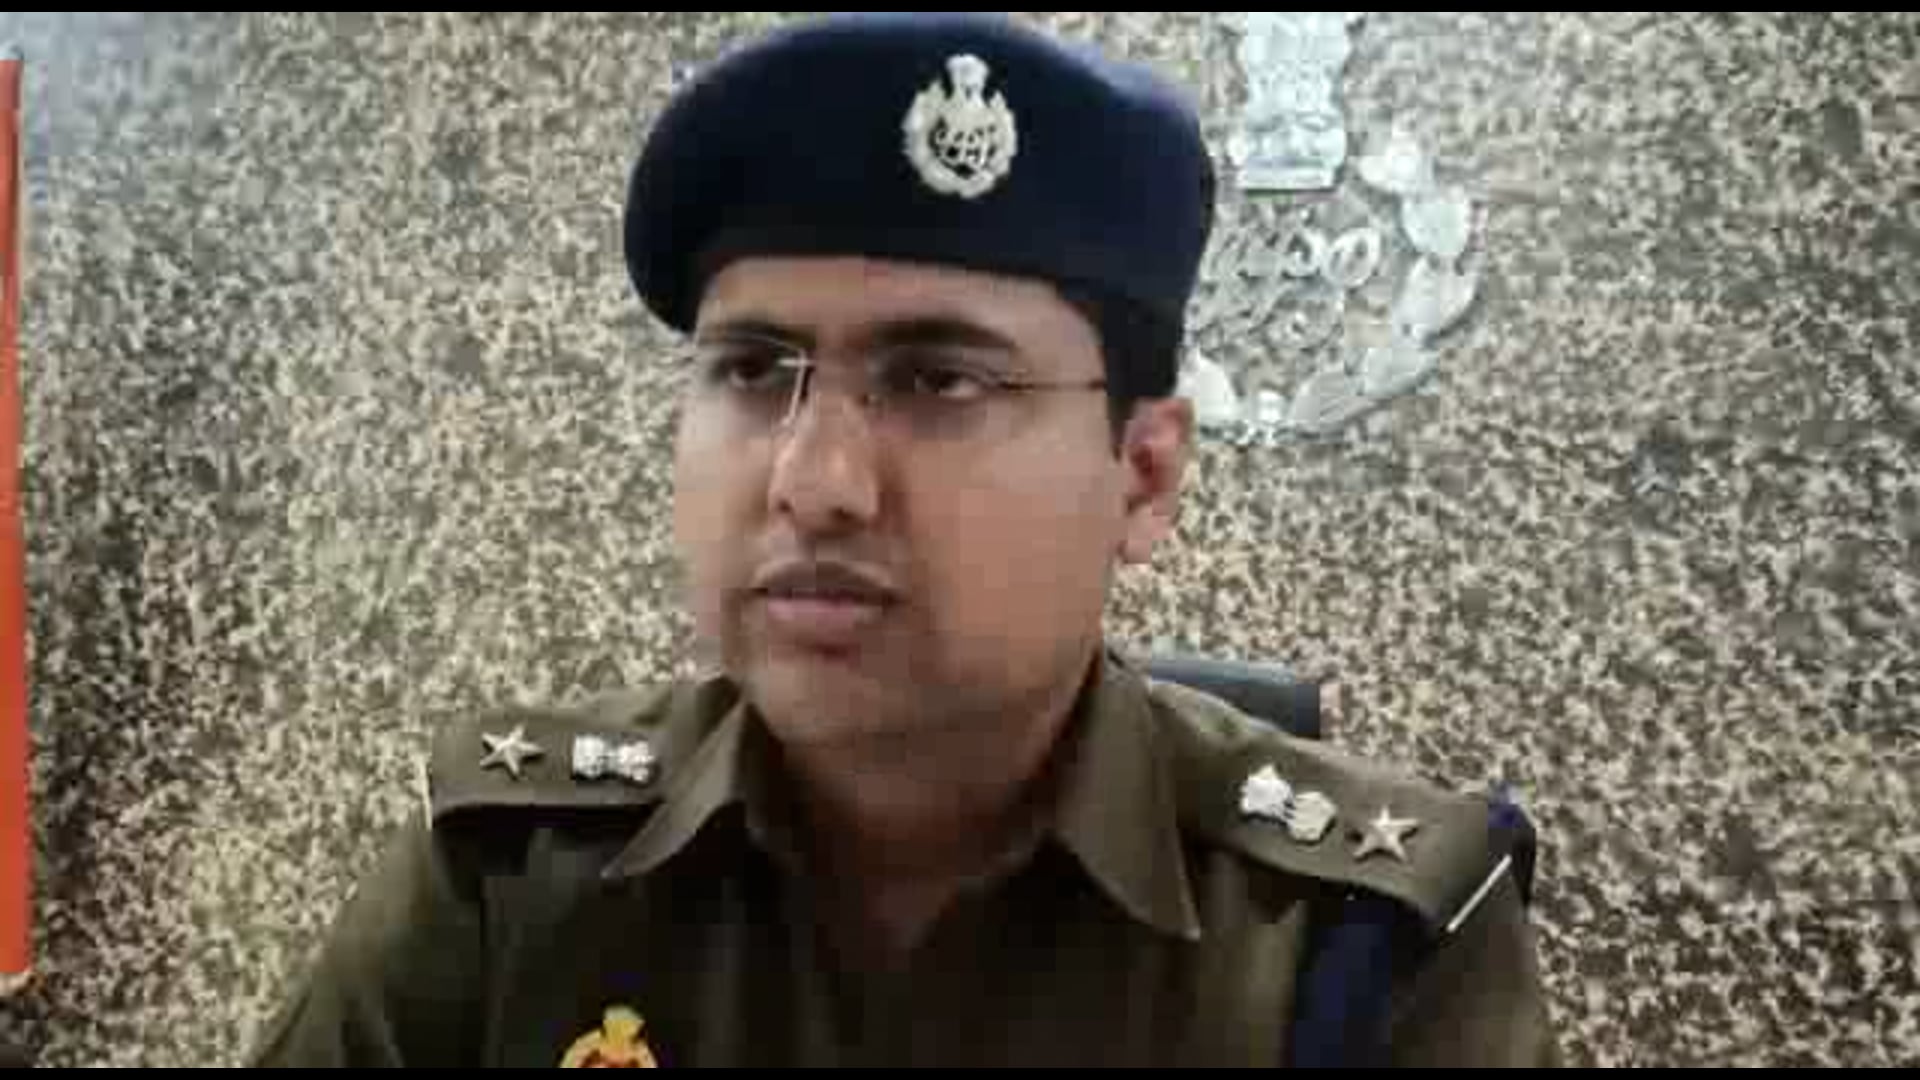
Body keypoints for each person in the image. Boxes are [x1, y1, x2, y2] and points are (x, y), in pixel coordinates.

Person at [247, 11, 1559, 1067]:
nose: (814, 482)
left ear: (1144, 475)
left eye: (940, 380)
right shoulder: (512, 879)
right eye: (752, 370)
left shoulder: (1356, 947)